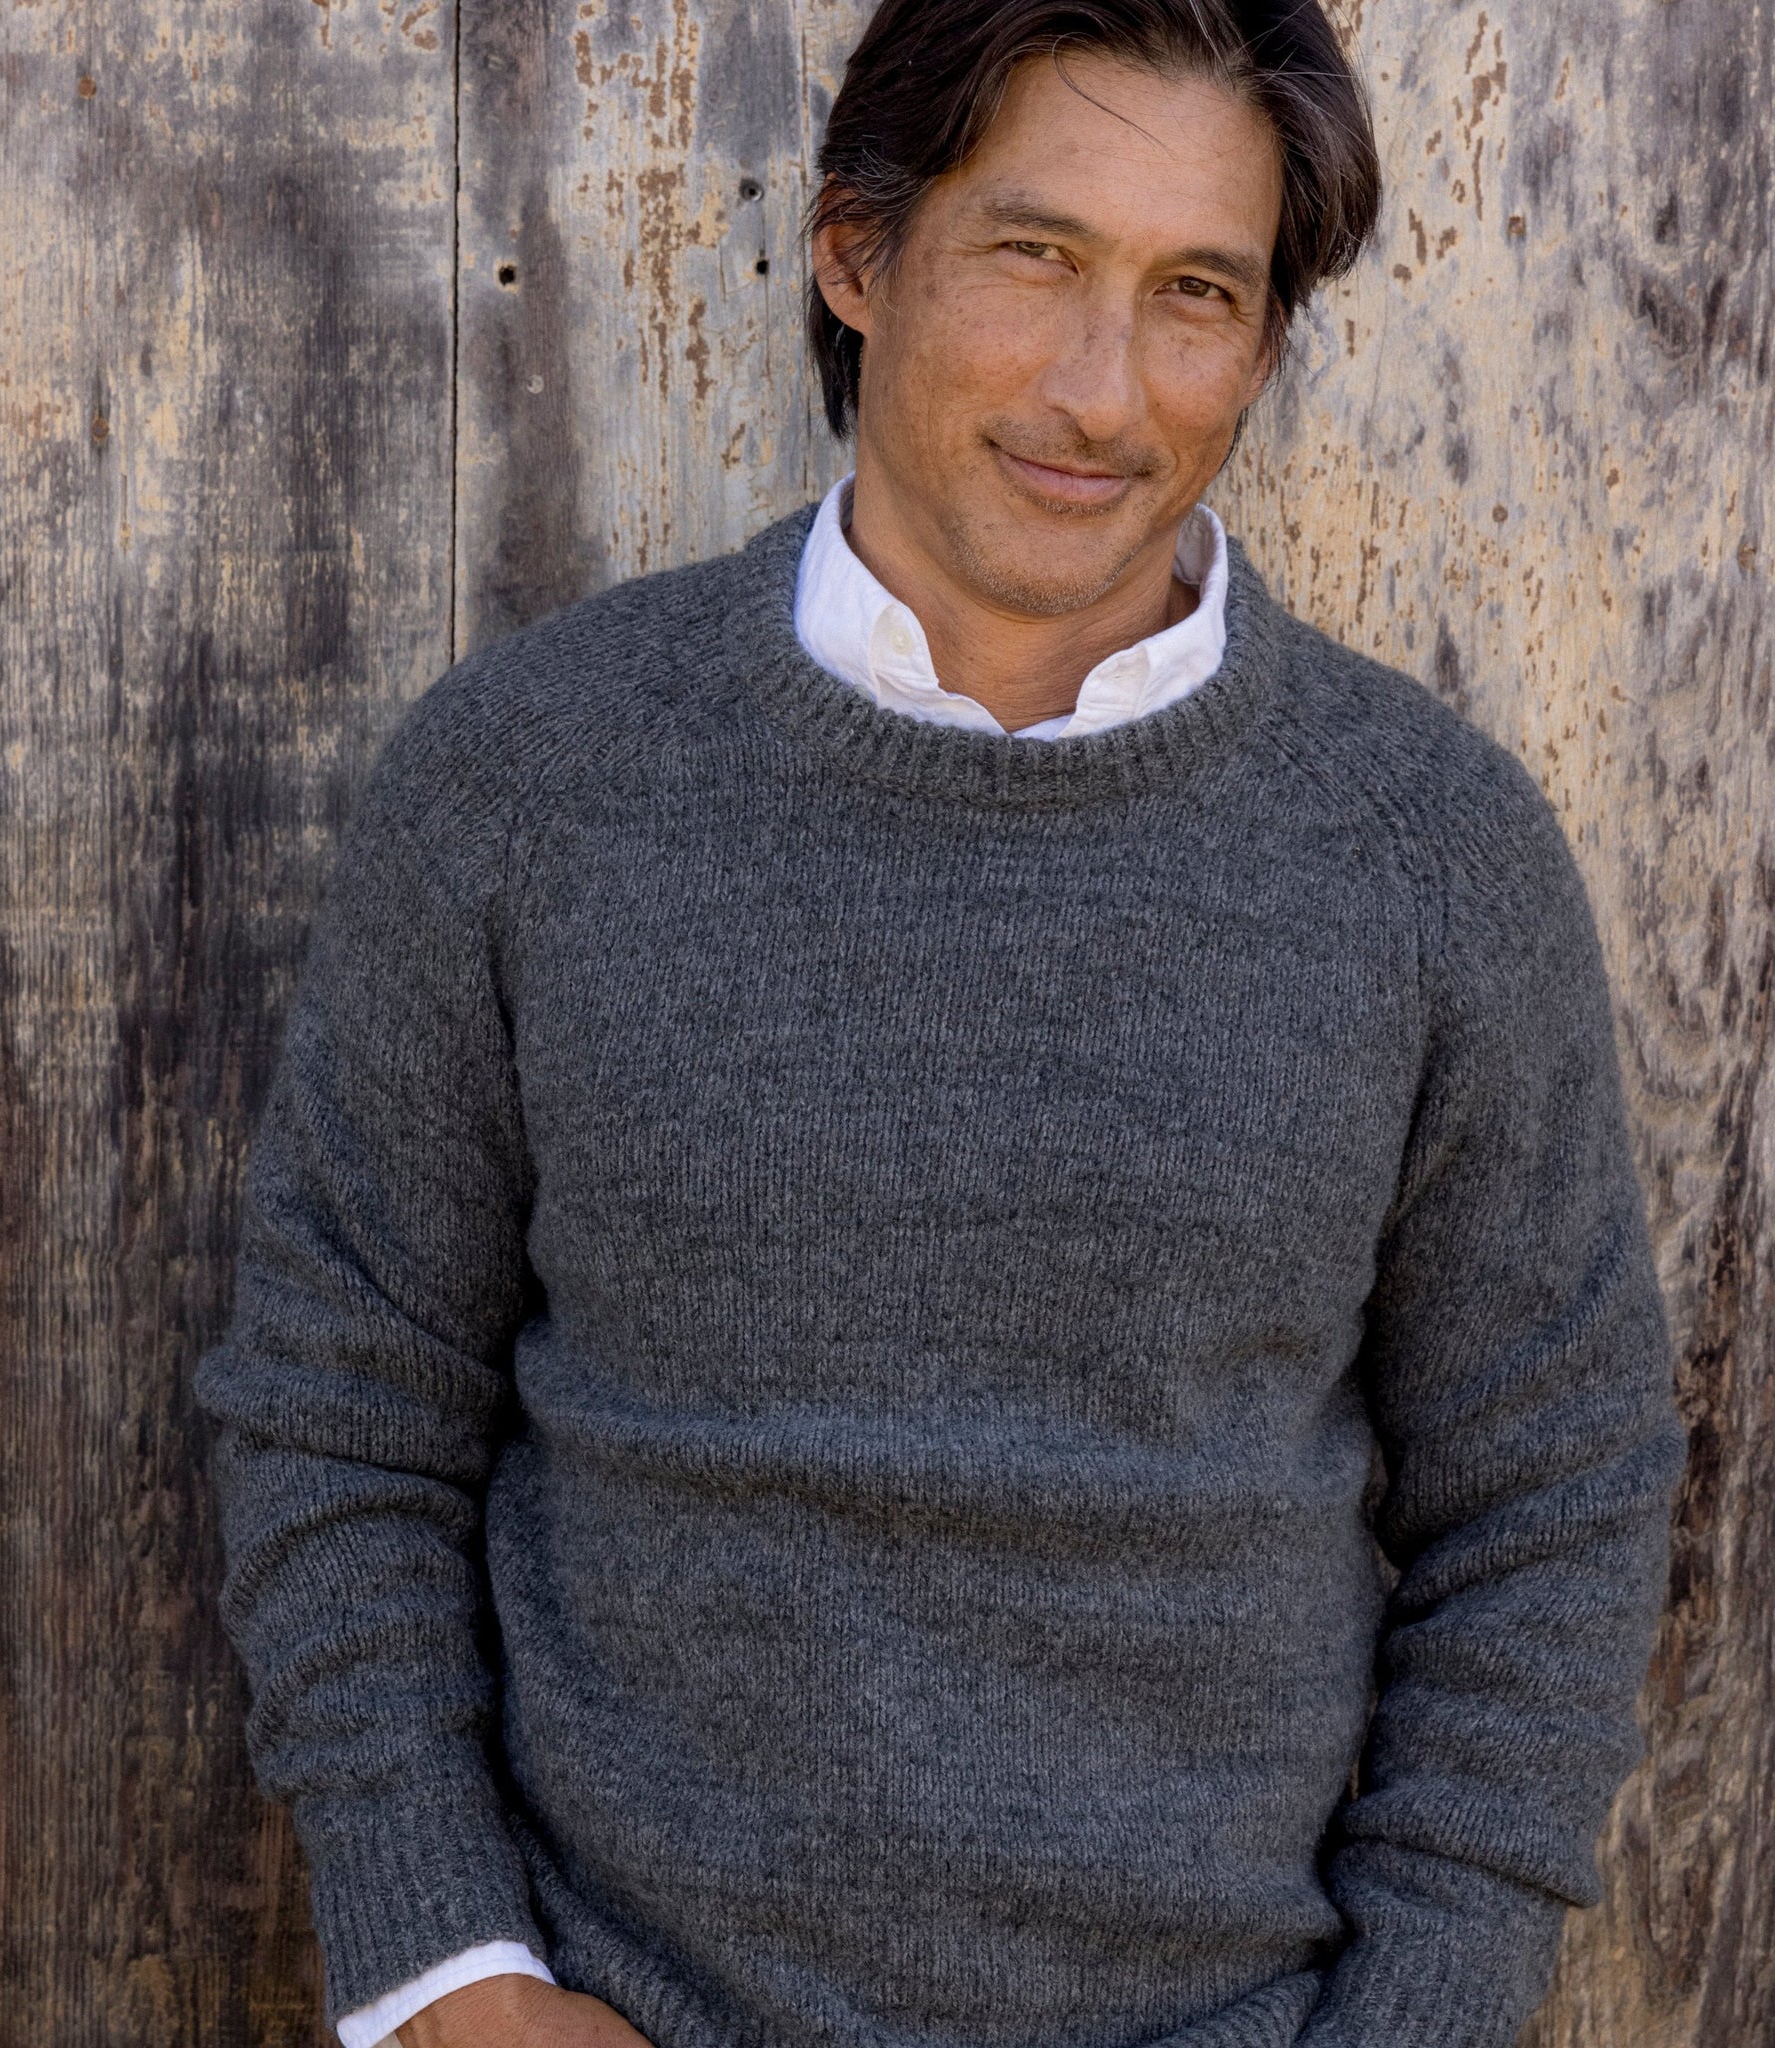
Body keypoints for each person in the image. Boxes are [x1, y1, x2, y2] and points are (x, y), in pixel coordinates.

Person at [191, 4, 1687, 2045]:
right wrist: (449, 1971)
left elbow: (1551, 1495)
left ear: (1263, 342)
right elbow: (341, 1404)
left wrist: (1418, 2018)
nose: (1101, 388)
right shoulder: (525, 784)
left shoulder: (1431, 852)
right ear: (856, 253)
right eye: (1033, 257)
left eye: (1195, 293)